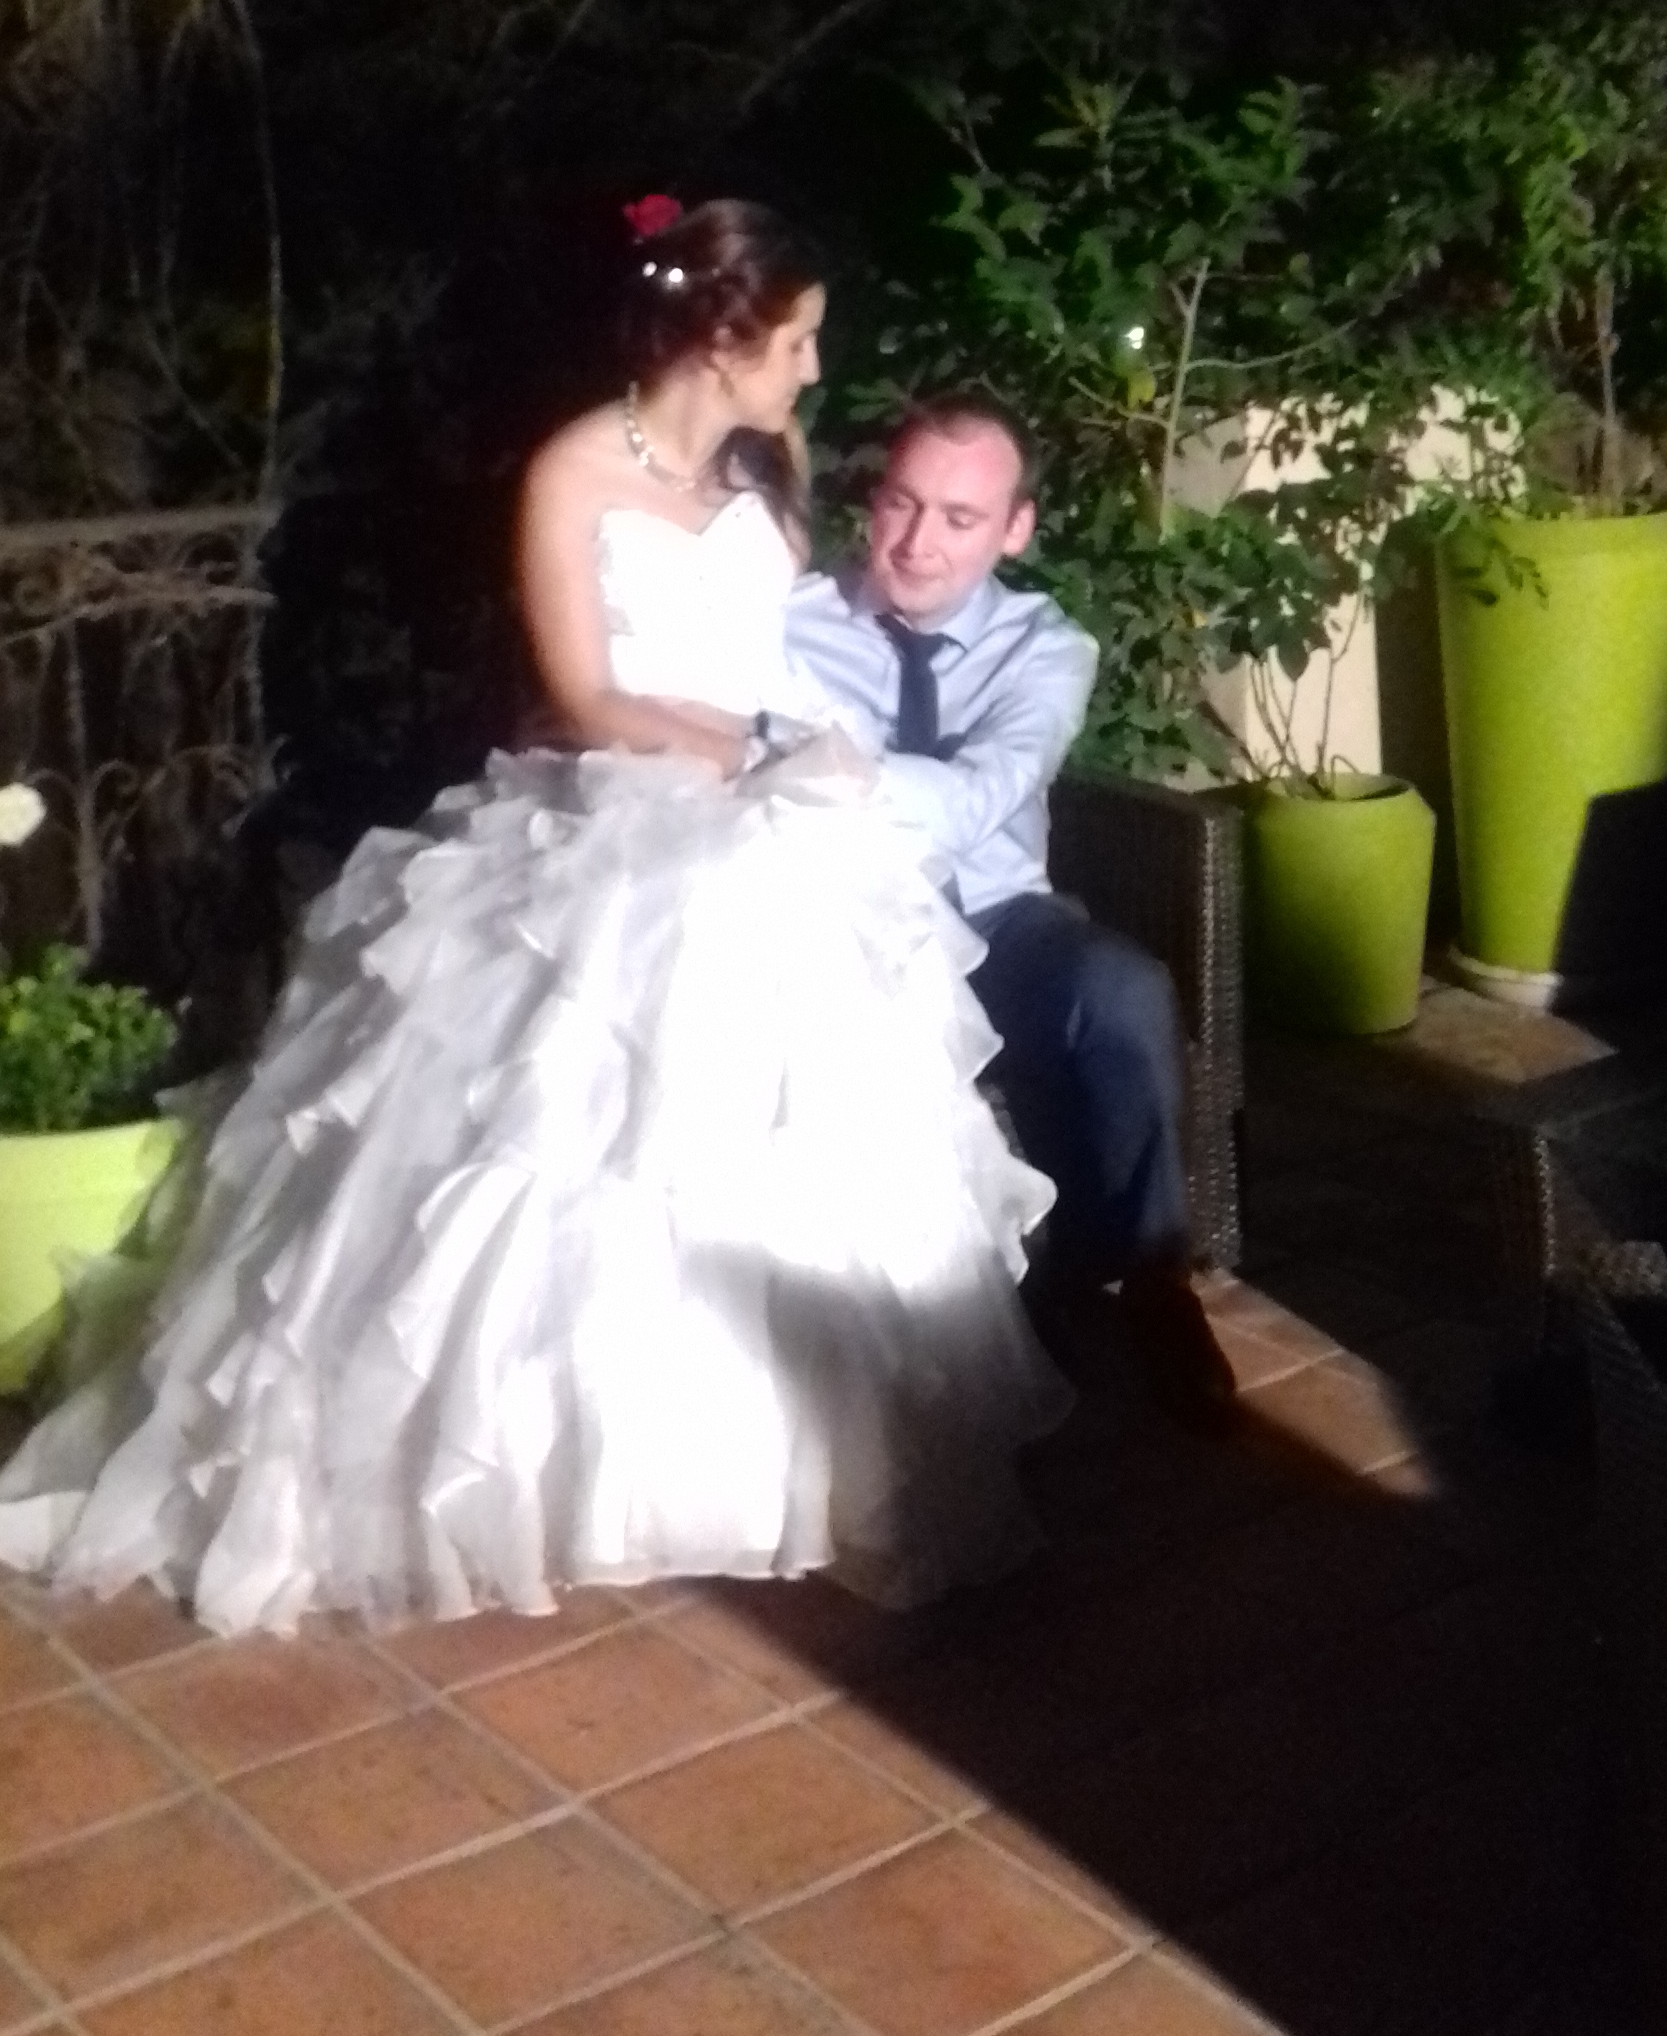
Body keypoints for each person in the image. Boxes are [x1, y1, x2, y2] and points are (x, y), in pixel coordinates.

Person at [0, 206, 1066, 1634]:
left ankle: (752, 1452)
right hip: (620, 805)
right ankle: (545, 1467)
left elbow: (771, 651)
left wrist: (795, 758)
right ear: (723, 338)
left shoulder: (777, 465)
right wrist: (736, 752)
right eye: (799, 340)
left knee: (797, 1121)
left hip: (769, 812)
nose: (815, 370)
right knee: (561, 1134)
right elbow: (583, 690)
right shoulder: (570, 472)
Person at [785, 395, 1238, 1431]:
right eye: (902, 503)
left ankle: (1154, 1279)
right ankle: (930, 1323)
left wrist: (823, 766)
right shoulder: (792, 624)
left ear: (1016, 529)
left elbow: (985, 795)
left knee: (1122, 990)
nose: (919, 542)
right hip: (837, 931)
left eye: (960, 517)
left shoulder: (1046, 648)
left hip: (994, 924)